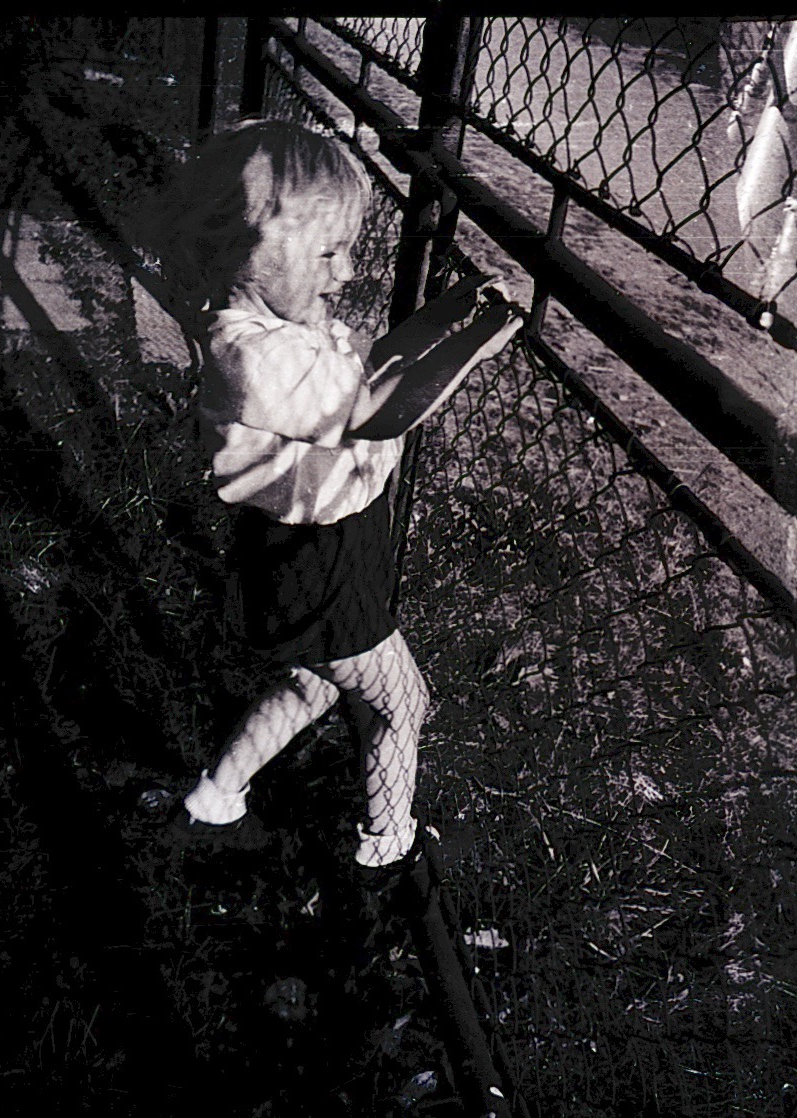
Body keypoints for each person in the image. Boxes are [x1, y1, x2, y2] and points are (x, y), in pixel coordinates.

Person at [144, 120, 523, 867]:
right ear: (250, 249)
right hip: (321, 563)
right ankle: (389, 849)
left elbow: (372, 368)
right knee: (401, 703)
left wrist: (446, 315)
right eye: (327, 252)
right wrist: (475, 348)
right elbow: (380, 407)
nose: (346, 271)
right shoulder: (254, 358)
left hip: (299, 552)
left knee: (313, 687)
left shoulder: (275, 327)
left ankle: (215, 798)